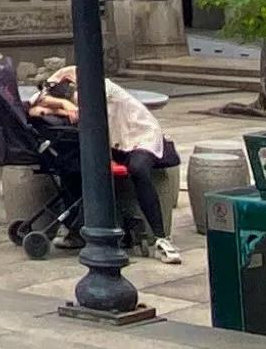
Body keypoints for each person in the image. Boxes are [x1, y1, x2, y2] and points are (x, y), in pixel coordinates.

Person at [34, 64, 185, 263]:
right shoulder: (59, 84)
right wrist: (63, 107)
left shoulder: (101, 86)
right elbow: (36, 105)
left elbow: (82, 106)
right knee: (71, 166)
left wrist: (65, 105)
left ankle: (161, 238)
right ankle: (76, 230)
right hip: (112, 143)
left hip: (139, 136)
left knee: (138, 169)